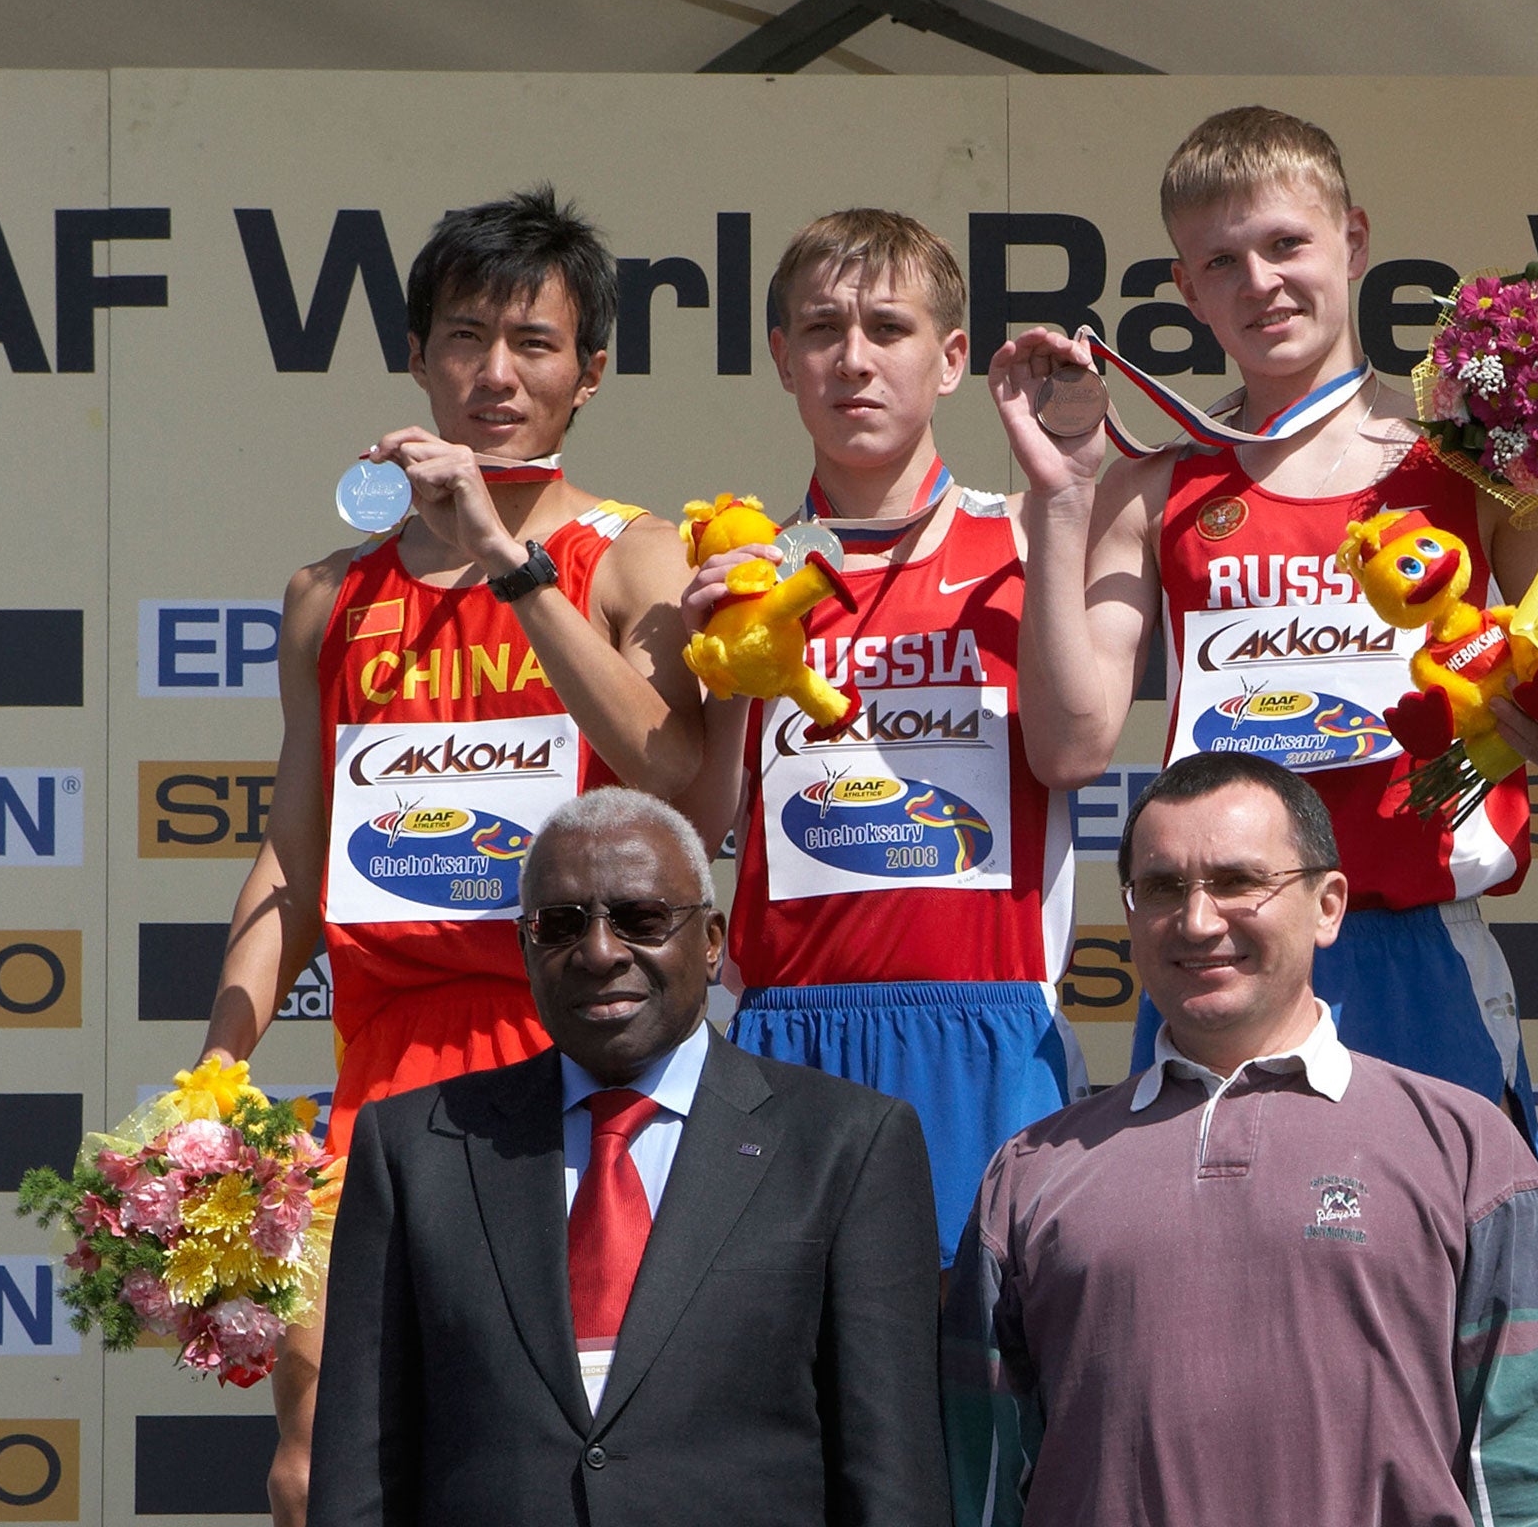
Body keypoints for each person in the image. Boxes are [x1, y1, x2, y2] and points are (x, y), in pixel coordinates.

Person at [196, 187, 702, 1525]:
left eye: (534, 343)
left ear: (590, 374)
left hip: (583, 1065)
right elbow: (296, 861)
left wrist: (503, 557)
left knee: (571, 1448)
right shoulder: (332, 595)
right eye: (466, 337)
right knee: (323, 1450)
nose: (496, 373)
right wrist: (212, 1075)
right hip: (385, 1063)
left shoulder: (634, 556)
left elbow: (673, 774)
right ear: (418, 355)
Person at [988, 106, 1538, 1134]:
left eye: (1286, 242)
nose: (1260, 283)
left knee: (1443, 1285)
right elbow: (1068, 747)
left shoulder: (1472, 462)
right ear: (1183, 290)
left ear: (1354, 240)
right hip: (1217, 957)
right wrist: (1063, 499)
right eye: (1222, 261)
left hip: (1416, 951)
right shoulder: (1155, 488)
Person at [942, 752, 1538, 1527]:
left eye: (1238, 882)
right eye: (1163, 888)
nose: (1198, 922)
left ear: (1327, 905)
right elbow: (981, 1486)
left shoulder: (1467, 1149)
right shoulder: (1030, 1174)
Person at [308, 788, 948, 1526]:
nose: (600, 952)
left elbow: (893, 1481)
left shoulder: (848, 1144)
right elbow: (358, 1478)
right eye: (560, 926)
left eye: (641, 919)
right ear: (525, 948)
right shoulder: (414, 1149)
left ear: (711, 942)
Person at [679, 209, 1086, 1266]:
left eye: (887, 329)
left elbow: (1072, 753)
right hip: (783, 1033)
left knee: (981, 1410)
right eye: (820, 330)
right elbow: (696, 827)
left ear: (950, 358)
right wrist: (716, 673)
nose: (851, 360)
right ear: (779, 357)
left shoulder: (1024, 536)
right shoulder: (746, 575)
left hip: (986, 1031)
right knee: (797, 1412)